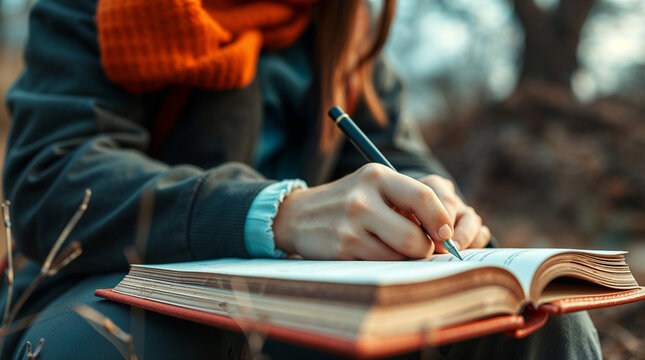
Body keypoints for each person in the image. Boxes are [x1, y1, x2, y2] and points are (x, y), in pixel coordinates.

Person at [0, 0, 601, 358]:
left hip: (322, 307)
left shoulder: (339, 23)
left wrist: (433, 197)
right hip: (125, 287)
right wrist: (280, 214)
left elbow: (396, 150)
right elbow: (52, 174)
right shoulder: (101, 10)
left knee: (545, 321)